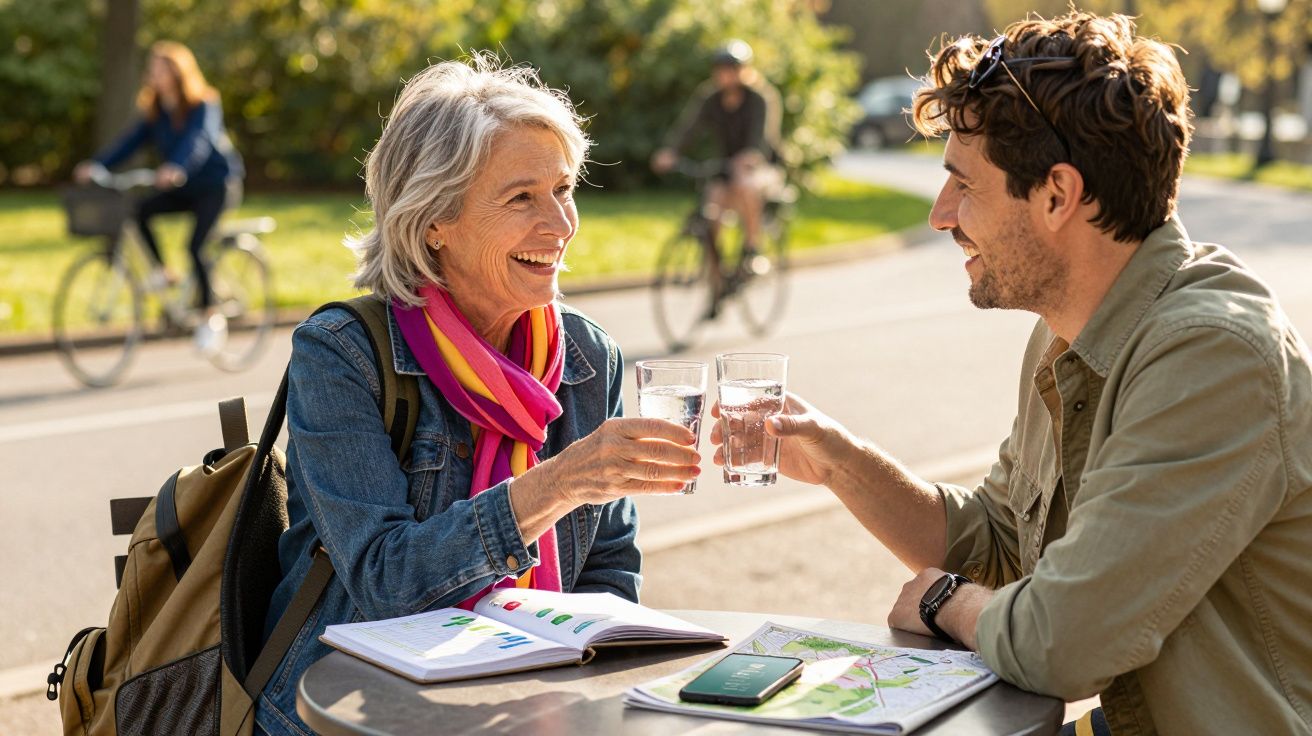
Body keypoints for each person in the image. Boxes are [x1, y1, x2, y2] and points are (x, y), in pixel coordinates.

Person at [710, 11, 1312, 735]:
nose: (940, 216)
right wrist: (841, 462)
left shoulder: (1212, 356)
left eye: (963, 186)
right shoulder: (1068, 331)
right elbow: (999, 546)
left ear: (1057, 195)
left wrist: (943, 603)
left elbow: (1061, 642)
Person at [252, 56, 701, 736]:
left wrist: (579, 685)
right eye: (522, 197)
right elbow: (385, 581)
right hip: (349, 716)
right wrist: (559, 482)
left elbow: (609, 566)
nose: (560, 224)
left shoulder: (586, 358)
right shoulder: (343, 354)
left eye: (563, 188)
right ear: (435, 220)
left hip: (524, 711)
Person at [74, 40, 244, 355]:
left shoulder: (204, 104)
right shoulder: (156, 112)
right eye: (152, 70)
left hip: (215, 186)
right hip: (181, 188)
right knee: (139, 211)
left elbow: (199, 140)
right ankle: (164, 273)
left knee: (195, 245)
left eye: (161, 70)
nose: (154, 75)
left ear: (179, 73)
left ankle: (210, 317)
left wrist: (177, 166)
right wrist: (97, 165)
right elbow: (129, 143)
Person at [652, 40, 784, 307]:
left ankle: (752, 250)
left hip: (762, 167)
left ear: (744, 70)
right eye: (721, 69)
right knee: (711, 209)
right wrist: (670, 151)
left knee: (746, 185)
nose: (726, 74)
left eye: (733, 68)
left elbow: (761, 136)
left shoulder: (759, 98)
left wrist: (751, 155)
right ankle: (717, 282)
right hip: (726, 166)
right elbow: (689, 127)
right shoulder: (710, 98)